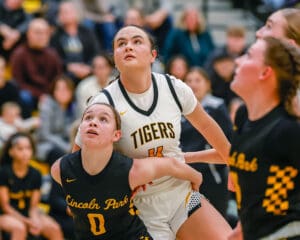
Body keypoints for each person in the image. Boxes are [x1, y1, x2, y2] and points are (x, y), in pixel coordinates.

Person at [74, 25, 232, 239]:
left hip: (182, 194)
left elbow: (206, 126)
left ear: (153, 55)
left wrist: (235, 165)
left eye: (137, 41)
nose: (128, 46)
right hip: (137, 208)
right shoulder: (103, 103)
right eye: (121, 43)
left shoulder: (174, 87)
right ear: (116, 58)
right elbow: (75, 167)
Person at [52, 102, 202, 239]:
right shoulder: (60, 169)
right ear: (80, 129)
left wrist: (197, 178)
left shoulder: (131, 171)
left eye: (103, 119)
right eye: (88, 117)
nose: (93, 122)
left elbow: (171, 165)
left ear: (116, 135)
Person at [180, 67, 233, 220]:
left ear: (207, 84)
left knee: (218, 220)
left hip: (212, 177)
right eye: (189, 81)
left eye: (197, 80)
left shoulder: (217, 107)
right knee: (195, 220)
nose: (193, 84)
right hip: (187, 178)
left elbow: (228, 140)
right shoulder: (178, 110)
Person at [0, 132, 64, 240]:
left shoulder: (36, 174)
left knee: (54, 228)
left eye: (28, 148)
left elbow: (33, 207)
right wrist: (27, 222)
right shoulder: (4, 172)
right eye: (20, 149)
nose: (25, 152)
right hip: (6, 215)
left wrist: (35, 221)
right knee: (19, 228)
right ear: (11, 152)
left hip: (28, 213)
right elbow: (6, 207)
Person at [10, 18, 63, 117]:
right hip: (31, 97)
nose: (41, 36)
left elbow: (58, 79)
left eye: (44, 33)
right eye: (37, 32)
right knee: (24, 96)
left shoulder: (53, 55)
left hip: (49, 95)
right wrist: (40, 95)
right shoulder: (19, 54)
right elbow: (18, 83)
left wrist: (49, 95)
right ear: (28, 34)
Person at [36, 75, 78, 166]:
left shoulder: (74, 107)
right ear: (53, 91)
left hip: (68, 145)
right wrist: (66, 147)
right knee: (60, 156)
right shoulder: (46, 106)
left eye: (66, 89)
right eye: (58, 89)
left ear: (71, 91)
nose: (62, 92)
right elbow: (45, 135)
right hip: (47, 145)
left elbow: (76, 130)